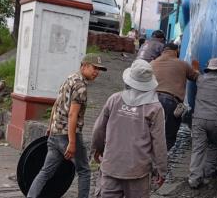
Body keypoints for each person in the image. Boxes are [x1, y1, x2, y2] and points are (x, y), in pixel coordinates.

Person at [27, 53, 107, 198]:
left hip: (55, 133)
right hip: (67, 135)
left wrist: (50, 126)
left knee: (45, 172)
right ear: (84, 66)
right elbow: (72, 115)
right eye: (94, 68)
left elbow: (56, 104)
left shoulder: (69, 79)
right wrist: (72, 142)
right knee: (84, 171)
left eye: (99, 69)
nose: (97, 72)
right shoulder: (80, 87)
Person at [91, 59, 167, 198]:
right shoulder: (155, 108)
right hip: (137, 171)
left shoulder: (114, 99)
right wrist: (161, 170)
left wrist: (98, 149)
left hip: (111, 165)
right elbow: (159, 142)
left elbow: (98, 129)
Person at [188, 58, 217, 188]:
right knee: (213, 146)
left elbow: (194, 73)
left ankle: (194, 179)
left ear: (209, 68)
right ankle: (207, 174)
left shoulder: (200, 79)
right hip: (216, 121)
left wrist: (195, 65)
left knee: (198, 149)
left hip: (199, 119)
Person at [151, 43, 199, 150]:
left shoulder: (153, 63)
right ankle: (160, 161)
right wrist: (196, 69)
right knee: (168, 136)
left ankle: (148, 160)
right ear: (176, 51)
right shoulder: (183, 64)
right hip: (171, 103)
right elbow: (197, 78)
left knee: (150, 133)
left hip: (151, 101)